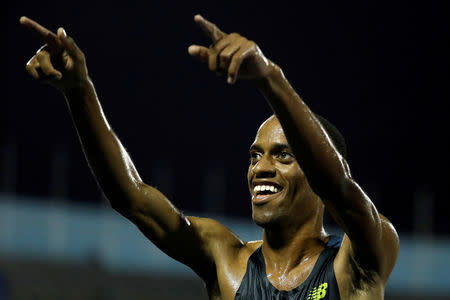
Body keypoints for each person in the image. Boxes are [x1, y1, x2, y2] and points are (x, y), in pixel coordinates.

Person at [20, 14, 399, 299]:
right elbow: (133, 198)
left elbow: (340, 186)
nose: (260, 168)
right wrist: (79, 90)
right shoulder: (227, 260)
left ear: (316, 178)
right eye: (254, 156)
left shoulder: (357, 260)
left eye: (283, 156)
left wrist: (270, 78)